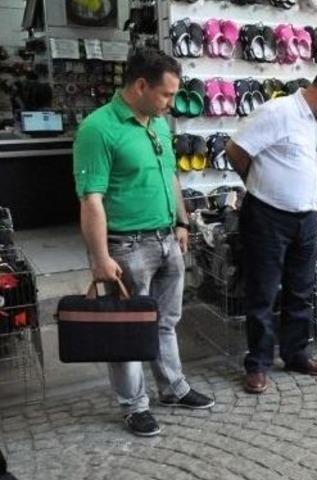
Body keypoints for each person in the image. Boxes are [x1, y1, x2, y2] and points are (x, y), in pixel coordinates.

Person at [73, 48, 215, 437]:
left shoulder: (158, 124)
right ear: (140, 85)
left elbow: (171, 176)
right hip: (125, 247)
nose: (172, 103)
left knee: (168, 321)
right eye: (167, 95)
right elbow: (92, 199)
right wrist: (100, 256)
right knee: (126, 332)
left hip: (168, 239)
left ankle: (173, 387)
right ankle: (134, 406)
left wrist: (183, 222)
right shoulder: (98, 129)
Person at [225, 66, 317, 394]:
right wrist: (256, 184)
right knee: (263, 291)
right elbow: (235, 151)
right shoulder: (279, 112)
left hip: (306, 217)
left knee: (301, 288)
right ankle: (257, 363)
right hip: (268, 215)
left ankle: (295, 351)